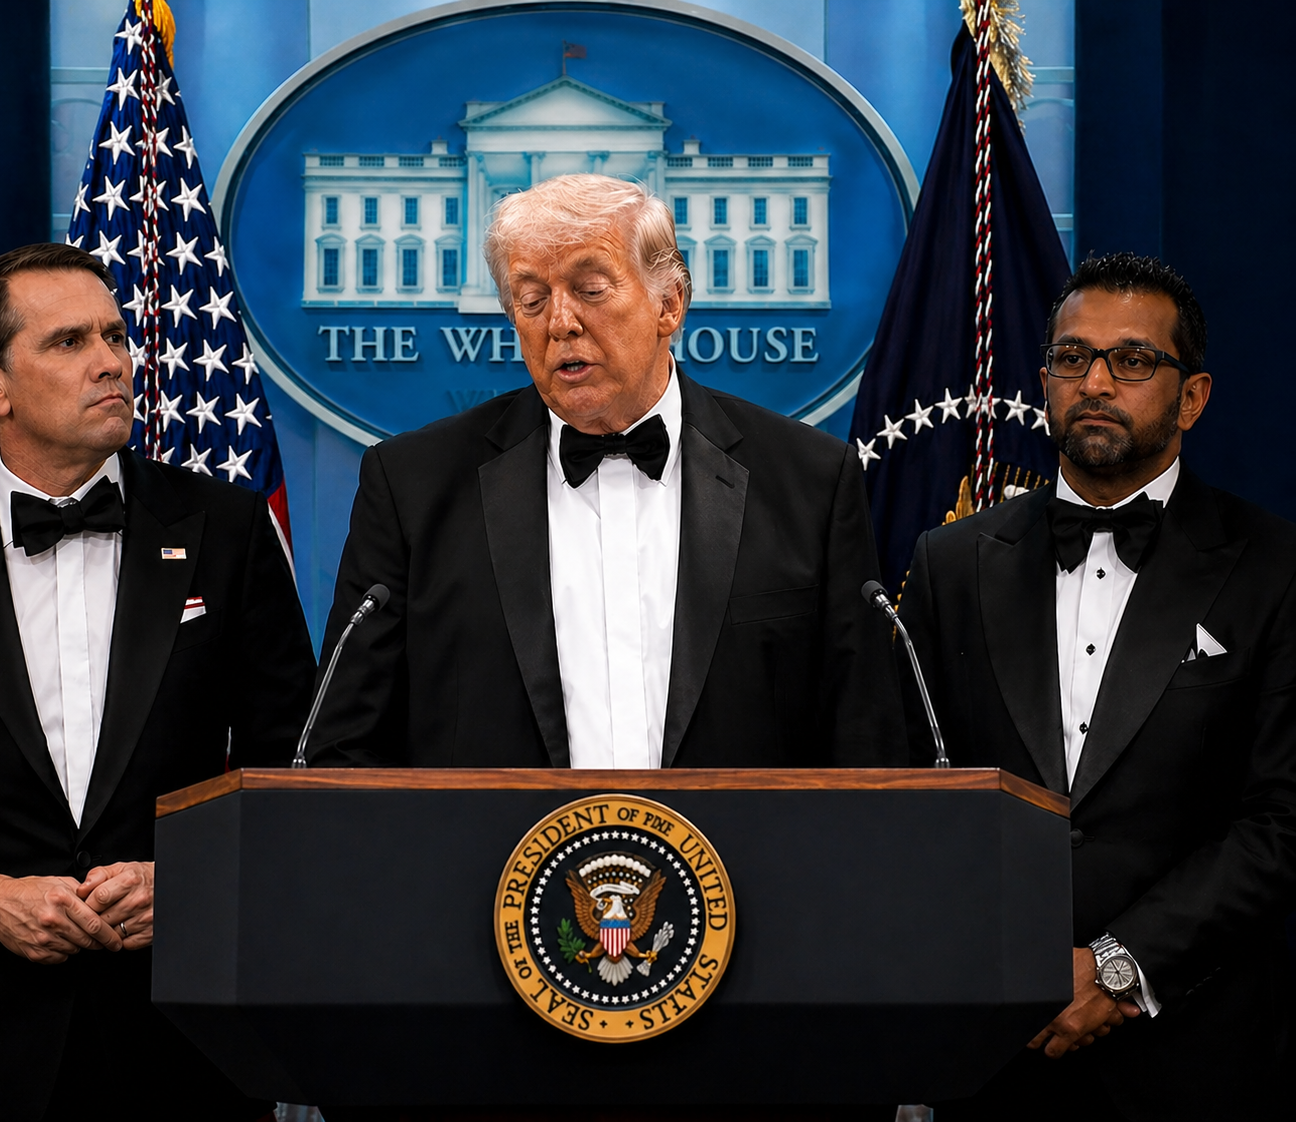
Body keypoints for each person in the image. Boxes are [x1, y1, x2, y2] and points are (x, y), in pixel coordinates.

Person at [0, 244, 315, 1119]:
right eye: (69, 342)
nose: (112, 362)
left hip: (183, 1046)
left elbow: (298, 773)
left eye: (115, 337)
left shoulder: (227, 530)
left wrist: (189, 882)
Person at [307, 174, 905, 772]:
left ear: (669, 304)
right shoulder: (413, 488)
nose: (560, 322)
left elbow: (868, 744)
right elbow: (341, 748)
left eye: (590, 290)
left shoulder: (809, 482)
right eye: (532, 300)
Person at [897, 252, 1296, 1120]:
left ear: (1192, 397)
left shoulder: (1275, 568)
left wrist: (1121, 967)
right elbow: (908, 799)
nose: (1097, 382)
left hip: (1197, 1054)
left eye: (1134, 360)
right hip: (991, 1056)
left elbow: (1281, 817)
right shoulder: (950, 563)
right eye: (1073, 358)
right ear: (1045, 380)